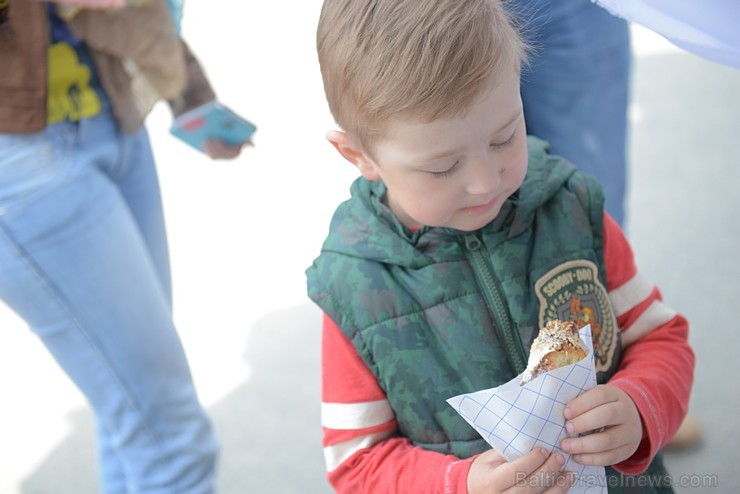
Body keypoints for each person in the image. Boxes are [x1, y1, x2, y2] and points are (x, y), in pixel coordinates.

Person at [306, 0, 695, 492]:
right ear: (358, 155)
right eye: (443, 167)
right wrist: (457, 484)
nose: (485, 181)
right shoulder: (355, 287)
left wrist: (643, 405)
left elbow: (660, 338)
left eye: (505, 136)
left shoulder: (570, 205)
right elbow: (356, 464)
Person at [0, 1, 248, 491]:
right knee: (173, 442)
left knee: (134, 417)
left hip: (109, 108)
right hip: (20, 161)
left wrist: (190, 91)